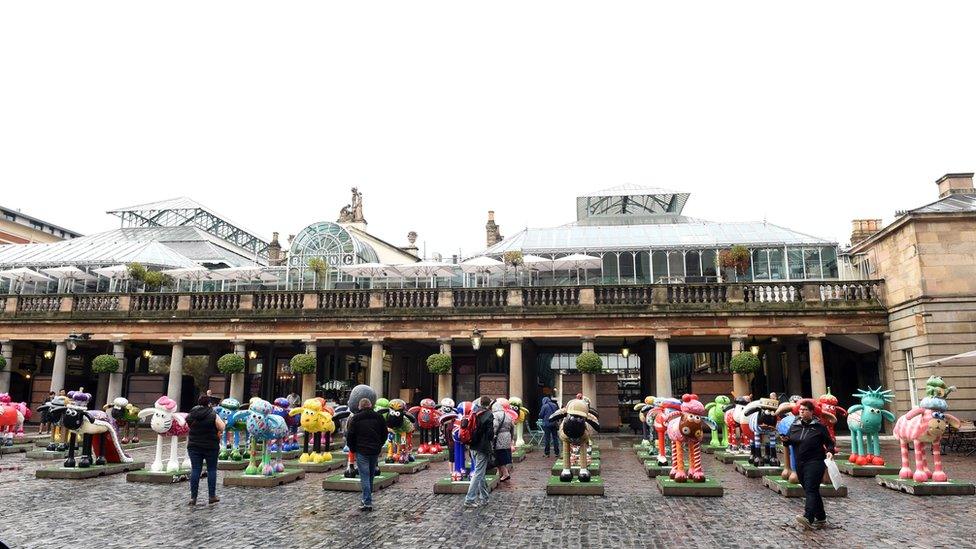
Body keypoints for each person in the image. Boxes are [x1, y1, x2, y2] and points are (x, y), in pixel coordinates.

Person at [784, 399, 836, 530]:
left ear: (812, 412)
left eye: (805, 410)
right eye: (800, 410)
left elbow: (829, 443)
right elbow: (789, 441)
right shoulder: (795, 425)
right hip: (800, 463)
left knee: (811, 488)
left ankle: (808, 517)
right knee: (809, 489)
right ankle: (821, 517)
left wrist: (830, 451)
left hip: (815, 462)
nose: (801, 412)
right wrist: (785, 440)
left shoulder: (819, 427)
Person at [345, 397, 387, 512]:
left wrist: (352, 448)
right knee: (371, 475)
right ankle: (367, 498)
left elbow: (350, 435)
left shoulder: (356, 418)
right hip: (374, 449)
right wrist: (380, 444)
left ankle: (367, 501)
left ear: (360, 406)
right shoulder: (379, 417)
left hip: (361, 450)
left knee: (364, 475)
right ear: (371, 406)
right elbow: (384, 433)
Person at [186, 394, 225, 506]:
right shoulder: (213, 414)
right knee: (212, 470)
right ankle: (211, 496)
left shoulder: (192, 413)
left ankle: (193, 497)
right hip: (211, 446)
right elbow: (222, 427)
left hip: (194, 446)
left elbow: (187, 424)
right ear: (209, 403)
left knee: (195, 470)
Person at [464, 396, 496, 508]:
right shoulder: (488, 414)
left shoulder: (474, 412)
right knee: (478, 473)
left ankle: (484, 497)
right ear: (489, 404)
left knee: (480, 473)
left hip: (473, 446)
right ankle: (469, 499)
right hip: (482, 447)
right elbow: (490, 434)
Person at [491, 400, 515, 482]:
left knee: (498, 455)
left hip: (499, 437)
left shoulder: (495, 415)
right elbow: (512, 427)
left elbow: (495, 426)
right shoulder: (508, 415)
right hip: (507, 436)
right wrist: (511, 438)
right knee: (504, 454)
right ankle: (500, 473)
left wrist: (493, 435)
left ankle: (505, 474)